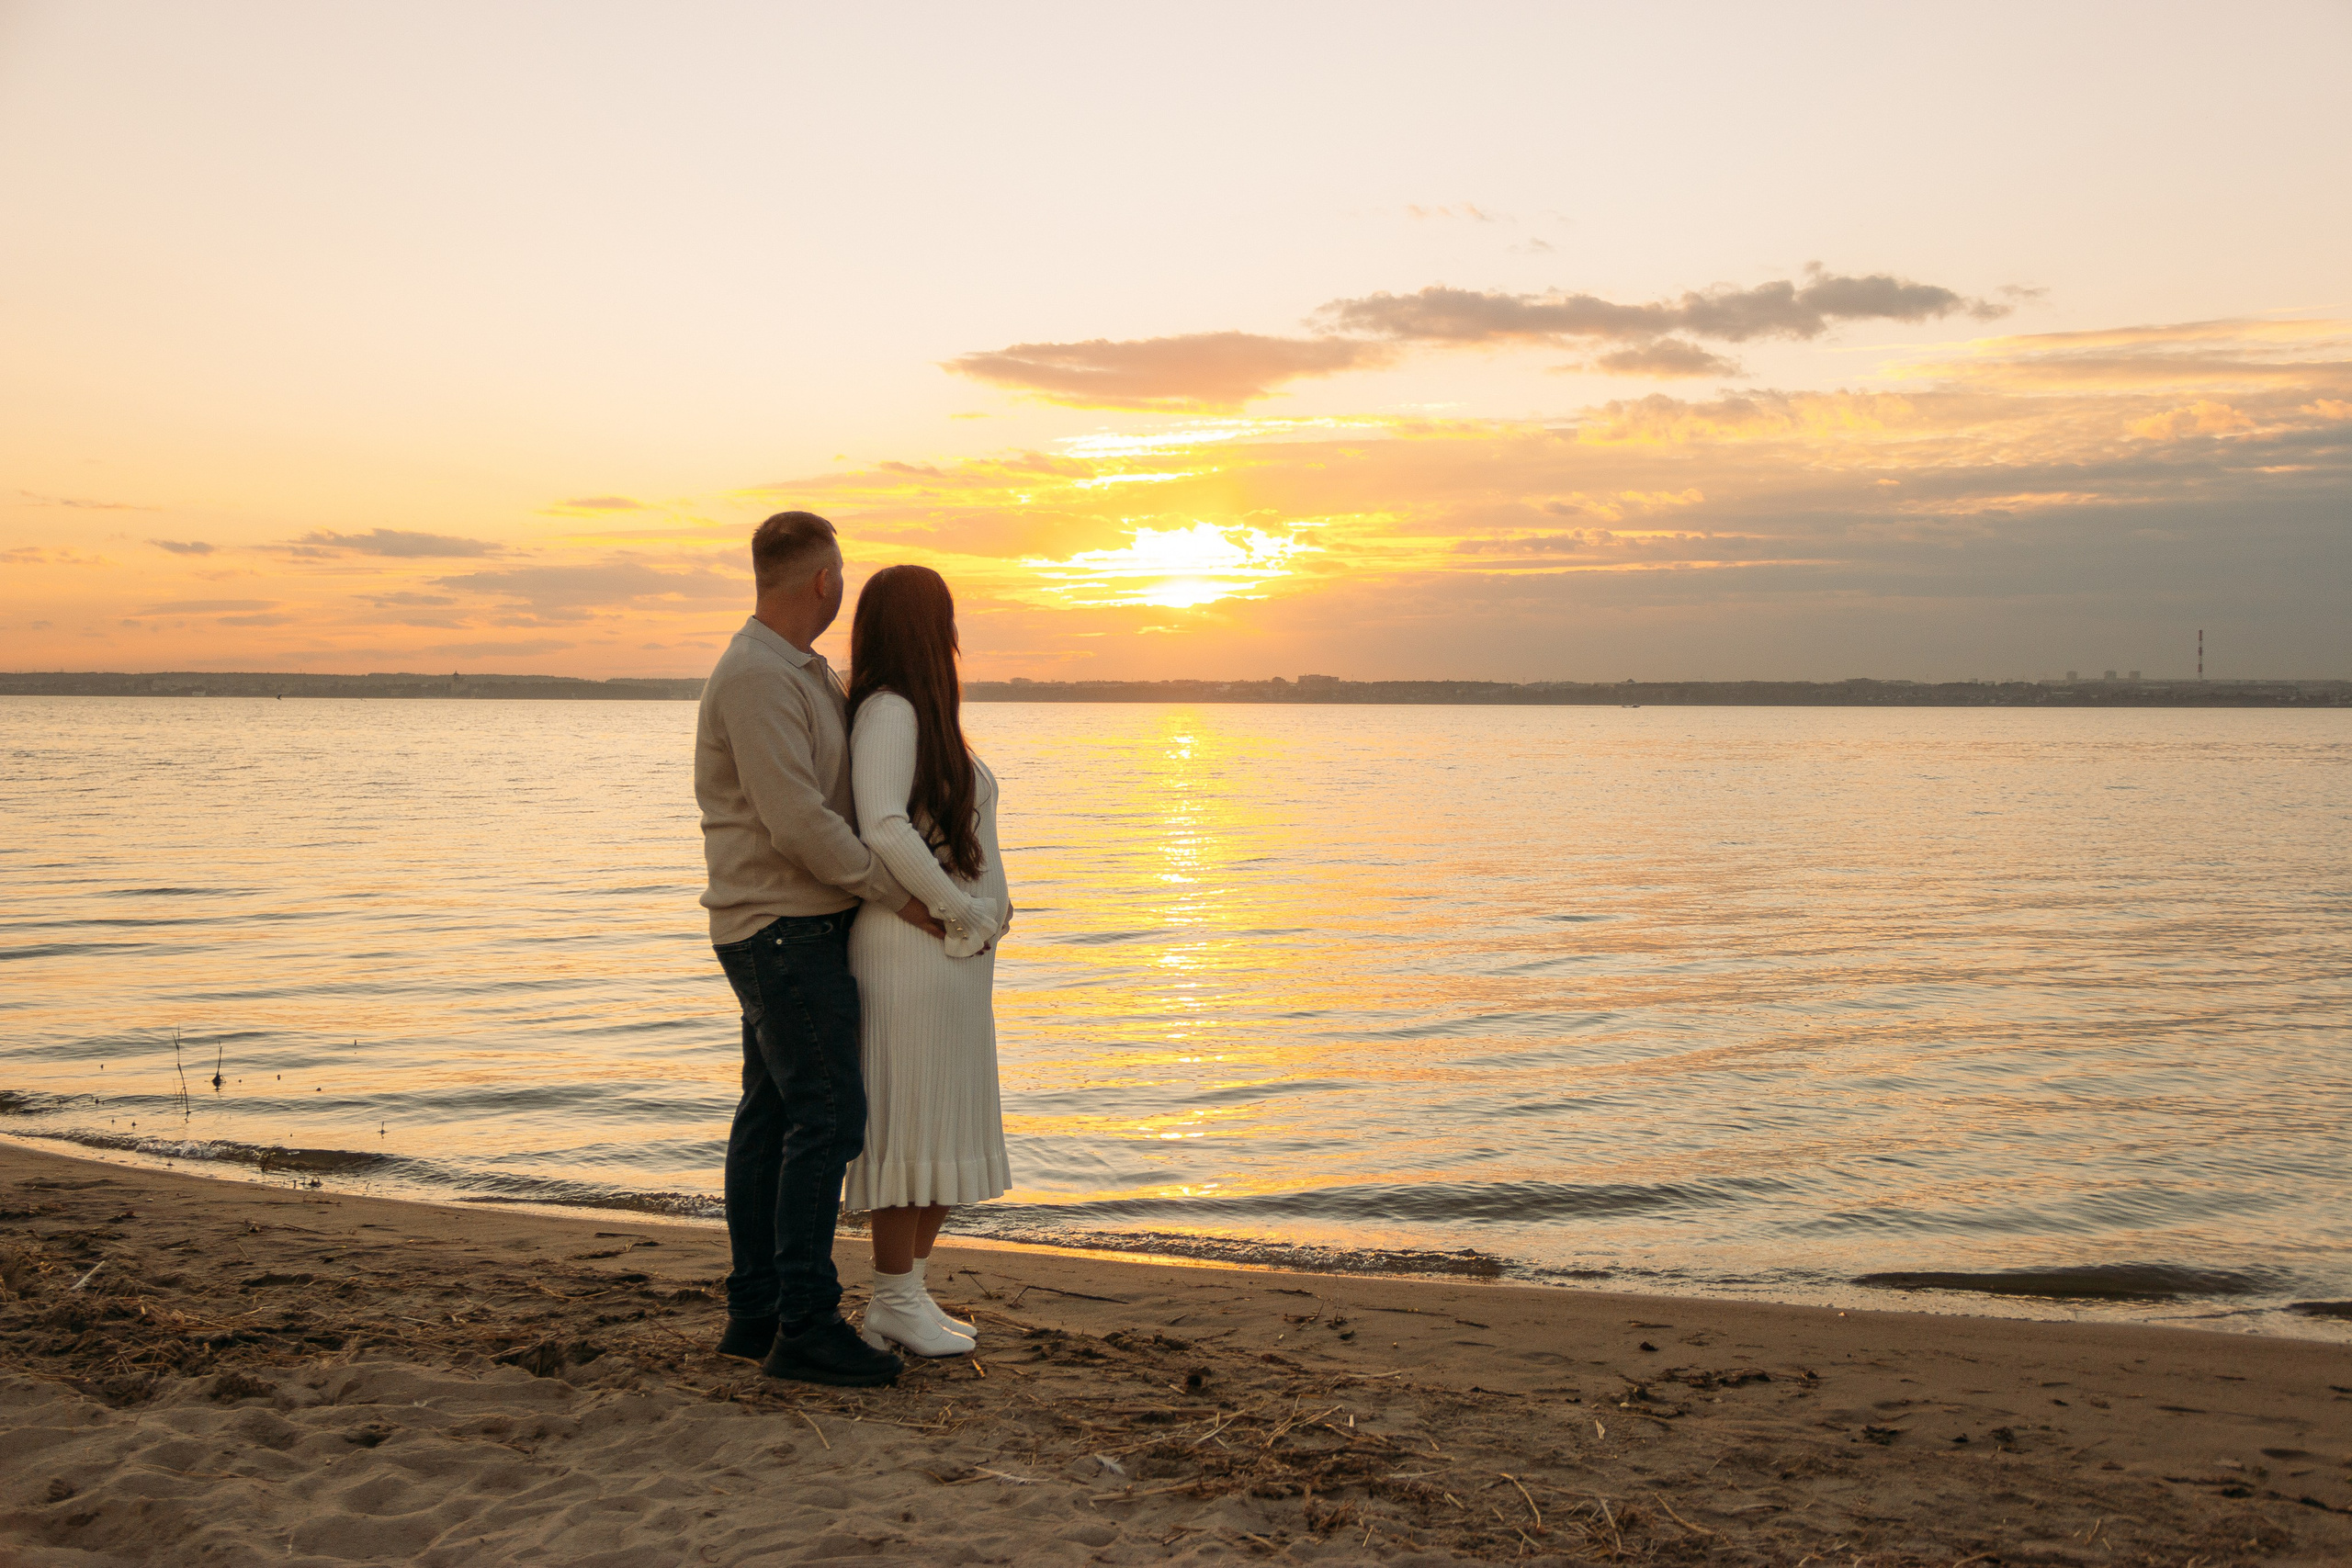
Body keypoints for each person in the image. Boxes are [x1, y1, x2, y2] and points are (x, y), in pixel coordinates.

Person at [694, 511, 948, 1388]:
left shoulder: (802, 672)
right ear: (824, 582)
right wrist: (898, 894)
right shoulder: (760, 677)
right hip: (780, 925)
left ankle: (756, 1310)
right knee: (828, 1118)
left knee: (770, 1117)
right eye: (840, 573)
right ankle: (803, 1320)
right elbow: (799, 819)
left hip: (783, 923)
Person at [839, 565, 1012, 1358]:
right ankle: (892, 1298)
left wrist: (991, 914)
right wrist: (960, 908)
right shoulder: (889, 709)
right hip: (911, 949)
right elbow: (882, 825)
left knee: (948, 1123)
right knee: (912, 1121)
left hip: (954, 953)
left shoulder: (929, 717)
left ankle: (907, 1294)